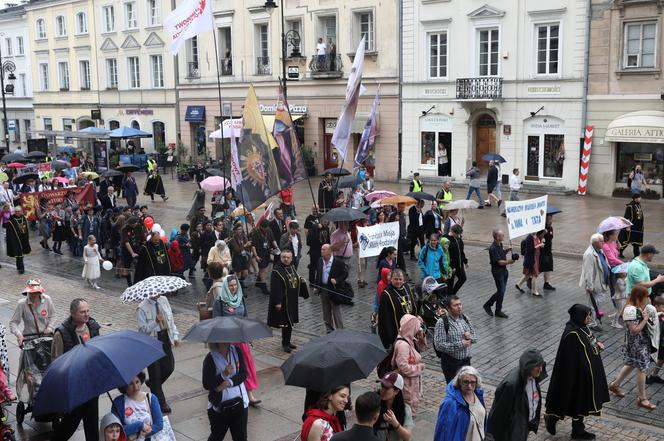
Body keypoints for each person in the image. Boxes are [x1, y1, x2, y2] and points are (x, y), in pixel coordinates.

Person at [544, 304, 610, 440]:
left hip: (584, 376)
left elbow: (589, 340)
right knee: (569, 399)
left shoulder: (582, 327)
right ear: (580, 316)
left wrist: (597, 343)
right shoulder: (571, 333)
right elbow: (571, 359)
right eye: (587, 315)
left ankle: (578, 431)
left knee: (581, 402)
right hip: (574, 377)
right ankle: (552, 417)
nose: (590, 317)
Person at [52, 298, 101, 441]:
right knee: (69, 424)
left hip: (91, 385)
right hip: (74, 385)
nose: (86, 315)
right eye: (82, 312)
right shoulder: (61, 333)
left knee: (92, 425)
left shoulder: (93, 327)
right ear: (72, 313)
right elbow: (56, 362)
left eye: (88, 311)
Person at [608, 286, 657, 410]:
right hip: (638, 344)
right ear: (640, 297)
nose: (647, 299)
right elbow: (634, 330)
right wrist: (645, 319)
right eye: (646, 296)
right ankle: (642, 398)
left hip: (640, 342)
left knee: (631, 363)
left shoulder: (635, 307)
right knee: (642, 368)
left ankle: (615, 385)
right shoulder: (630, 310)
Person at [486, 349, 546, 441]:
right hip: (511, 431)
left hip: (523, 425)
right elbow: (499, 415)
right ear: (528, 367)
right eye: (537, 366)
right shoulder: (511, 385)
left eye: (541, 365)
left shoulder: (532, 376)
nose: (540, 369)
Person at [137, 293, 180, 414]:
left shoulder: (164, 300)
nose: (158, 294)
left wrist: (175, 336)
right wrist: (155, 321)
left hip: (165, 338)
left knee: (169, 367)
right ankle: (161, 402)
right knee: (155, 372)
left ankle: (154, 385)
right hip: (151, 343)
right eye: (155, 292)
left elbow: (171, 320)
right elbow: (142, 330)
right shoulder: (142, 307)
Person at [202, 342, 250, 441]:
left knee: (241, 438)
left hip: (241, 404)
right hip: (219, 408)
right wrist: (223, 374)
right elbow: (207, 384)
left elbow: (244, 373)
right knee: (217, 436)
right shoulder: (210, 358)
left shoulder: (236, 350)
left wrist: (229, 382)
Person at [268, 249, 309, 353]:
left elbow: (293, 280)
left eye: (288, 257)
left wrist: (301, 281)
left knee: (290, 322)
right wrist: (277, 302)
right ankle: (285, 343)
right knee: (285, 323)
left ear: (291, 258)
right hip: (283, 302)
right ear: (281, 257)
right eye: (284, 257)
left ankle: (288, 341)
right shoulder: (277, 270)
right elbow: (275, 288)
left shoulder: (291, 267)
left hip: (292, 300)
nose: (286, 259)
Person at [433, 366, 486, 441]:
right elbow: (442, 432)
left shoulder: (478, 394)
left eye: (472, 382)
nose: (469, 386)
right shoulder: (450, 404)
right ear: (459, 382)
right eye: (465, 382)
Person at [434, 296, 477, 383]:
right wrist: (461, 344)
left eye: (460, 304)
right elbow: (439, 345)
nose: (459, 307)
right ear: (448, 308)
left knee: (466, 388)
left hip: (466, 362)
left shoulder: (465, 318)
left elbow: (475, 337)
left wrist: (470, 337)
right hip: (451, 364)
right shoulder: (442, 322)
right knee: (454, 389)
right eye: (456, 305)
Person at [111, 371, 164, 440]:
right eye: (131, 384)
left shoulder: (151, 398)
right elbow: (115, 430)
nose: (136, 387)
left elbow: (159, 425)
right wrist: (140, 425)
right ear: (124, 386)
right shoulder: (118, 402)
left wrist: (138, 435)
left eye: (137, 382)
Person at [393, 314, 426, 415]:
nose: (418, 329)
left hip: (411, 384)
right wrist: (419, 367)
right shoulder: (403, 345)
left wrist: (421, 337)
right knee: (407, 412)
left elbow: (422, 349)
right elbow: (403, 367)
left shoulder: (410, 339)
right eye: (416, 327)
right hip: (407, 385)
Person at [378, 269, 418, 349]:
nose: (398, 281)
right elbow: (385, 318)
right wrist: (390, 338)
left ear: (404, 280)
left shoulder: (407, 288)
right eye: (395, 279)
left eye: (400, 279)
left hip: (410, 329)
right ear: (391, 279)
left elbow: (413, 305)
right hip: (397, 331)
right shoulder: (386, 295)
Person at [10, 279, 56, 346]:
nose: (33, 294)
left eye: (36, 292)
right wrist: (18, 335)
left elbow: (53, 315)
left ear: (40, 292)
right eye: (31, 292)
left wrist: (50, 327)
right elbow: (13, 323)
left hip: (46, 338)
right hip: (29, 340)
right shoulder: (22, 304)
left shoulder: (47, 300)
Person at [580, 234, 610, 331]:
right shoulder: (589, 254)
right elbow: (588, 272)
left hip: (601, 282)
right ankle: (592, 324)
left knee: (597, 303)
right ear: (594, 243)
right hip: (593, 284)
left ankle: (593, 318)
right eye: (601, 241)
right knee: (592, 304)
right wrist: (589, 286)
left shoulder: (599, 250)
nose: (603, 242)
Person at [315, 244, 348, 333]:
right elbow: (318, 274)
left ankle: (340, 330)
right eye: (321, 249)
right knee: (326, 311)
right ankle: (329, 329)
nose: (321, 251)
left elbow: (345, 274)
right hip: (323, 288)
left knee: (336, 310)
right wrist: (316, 286)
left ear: (329, 251)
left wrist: (337, 280)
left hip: (333, 289)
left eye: (324, 249)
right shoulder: (320, 260)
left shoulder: (338, 262)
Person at [483, 229, 515, 319]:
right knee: (501, 291)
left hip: (504, 271)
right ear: (497, 237)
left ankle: (498, 310)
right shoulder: (493, 248)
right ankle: (488, 305)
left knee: (502, 291)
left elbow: (501, 253)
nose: (503, 236)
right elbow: (499, 262)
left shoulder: (500, 244)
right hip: (498, 272)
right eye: (502, 235)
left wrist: (507, 250)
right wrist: (509, 261)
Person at [374, 372, 413, 441]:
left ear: (396, 391)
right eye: (382, 386)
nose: (382, 390)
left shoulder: (405, 409)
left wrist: (395, 423)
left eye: (386, 388)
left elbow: (408, 437)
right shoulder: (374, 404)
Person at [250, 219, 278, 295]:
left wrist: (276, 247)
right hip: (260, 252)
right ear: (261, 227)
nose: (266, 229)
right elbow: (253, 245)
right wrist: (256, 256)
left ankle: (258, 282)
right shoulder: (256, 233)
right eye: (265, 228)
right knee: (263, 270)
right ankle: (264, 286)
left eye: (267, 227)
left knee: (265, 267)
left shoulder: (269, 230)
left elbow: (272, 239)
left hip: (267, 251)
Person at [515, 230, 544, 297]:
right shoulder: (529, 238)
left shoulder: (537, 236)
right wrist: (539, 245)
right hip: (531, 259)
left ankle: (518, 284)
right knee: (535, 275)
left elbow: (538, 246)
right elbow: (530, 249)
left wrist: (541, 244)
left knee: (528, 274)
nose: (535, 231)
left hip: (536, 258)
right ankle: (535, 291)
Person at [6, 205, 30, 274]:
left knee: (21, 253)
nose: (17, 213)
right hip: (15, 239)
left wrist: (26, 236)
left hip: (23, 238)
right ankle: (21, 268)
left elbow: (26, 228)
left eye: (19, 211)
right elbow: (9, 232)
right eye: (16, 211)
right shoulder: (11, 220)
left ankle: (19, 267)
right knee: (19, 253)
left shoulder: (23, 217)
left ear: (21, 211)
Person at [619, 194, 644, 258]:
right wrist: (628, 226)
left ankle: (636, 255)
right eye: (639, 198)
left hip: (638, 227)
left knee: (636, 242)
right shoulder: (630, 206)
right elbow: (627, 217)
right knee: (626, 241)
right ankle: (619, 252)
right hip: (631, 227)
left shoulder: (638, 205)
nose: (640, 199)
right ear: (635, 199)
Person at [646, 295, 664, 384]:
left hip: (661, 342)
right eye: (663, 306)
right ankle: (645, 376)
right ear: (656, 306)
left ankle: (654, 375)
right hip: (654, 343)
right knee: (650, 359)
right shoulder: (653, 315)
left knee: (662, 358)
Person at [445, 225, 467, 294]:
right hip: (451, 266)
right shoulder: (446, 239)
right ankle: (449, 297)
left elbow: (461, 251)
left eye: (459, 234)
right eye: (457, 234)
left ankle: (453, 293)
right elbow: (445, 255)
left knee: (463, 278)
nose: (458, 236)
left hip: (459, 265)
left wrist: (465, 261)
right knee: (450, 283)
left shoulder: (459, 239)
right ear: (452, 231)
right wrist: (450, 266)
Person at [540, 216, 556, 290]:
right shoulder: (541, 228)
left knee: (548, 267)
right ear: (545, 220)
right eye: (549, 219)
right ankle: (529, 277)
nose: (551, 220)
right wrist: (543, 232)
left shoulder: (551, 228)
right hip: (543, 251)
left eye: (551, 219)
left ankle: (546, 283)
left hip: (549, 251)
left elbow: (551, 238)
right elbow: (539, 238)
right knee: (541, 267)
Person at [611, 264, 629, 329]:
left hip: (622, 297)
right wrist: (626, 283)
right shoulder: (619, 280)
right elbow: (622, 289)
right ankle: (614, 323)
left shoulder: (623, 279)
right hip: (619, 297)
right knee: (619, 311)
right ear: (621, 274)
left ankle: (614, 320)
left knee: (619, 310)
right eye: (624, 272)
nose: (626, 273)